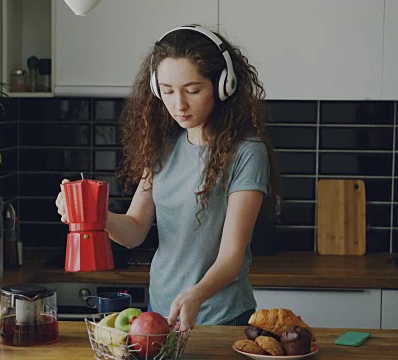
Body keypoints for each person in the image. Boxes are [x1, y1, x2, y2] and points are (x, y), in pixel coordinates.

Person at [56, 24, 280, 328]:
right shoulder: (162, 145)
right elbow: (135, 230)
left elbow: (232, 257)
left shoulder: (247, 152)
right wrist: (89, 214)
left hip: (222, 318)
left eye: (193, 90)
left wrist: (196, 295)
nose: (178, 104)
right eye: (168, 90)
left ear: (224, 85)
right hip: (159, 311)